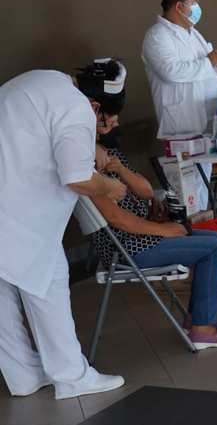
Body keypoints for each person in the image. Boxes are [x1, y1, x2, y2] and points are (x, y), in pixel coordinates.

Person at [0, 59, 129, 400]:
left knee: (1, 294)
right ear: (97, 106)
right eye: (106, 121)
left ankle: (24, 375)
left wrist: (92, 147)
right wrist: (109, 187)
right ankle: (72, 377)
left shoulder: (43, 78)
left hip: (8, 205)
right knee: (48, 280)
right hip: (17, 214)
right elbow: (77, 178)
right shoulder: (77, 108)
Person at [90, 115, 217, 349]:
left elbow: (147, 191)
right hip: (128, 249)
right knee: (211, 248)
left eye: (117, 121)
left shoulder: (110, 154)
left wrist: (120, 169)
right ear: (93, 126)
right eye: (109, 122)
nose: (116, 126)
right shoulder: (87, 167)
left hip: (140, 238)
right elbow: (116, 218)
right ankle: (203, 329)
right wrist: (161, 230)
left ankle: (197, 317)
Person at [142, 0, 217, 212]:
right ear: (179, 6)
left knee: (202, 179)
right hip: (182, 121)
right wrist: (208, 62)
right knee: (188, 184)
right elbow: (172, 73)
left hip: (205, 119)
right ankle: (192, 233)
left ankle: (203, 227)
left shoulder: (193, 33)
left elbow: (201, 72)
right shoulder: (157, 36)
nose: (198, 8)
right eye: (195, 3)